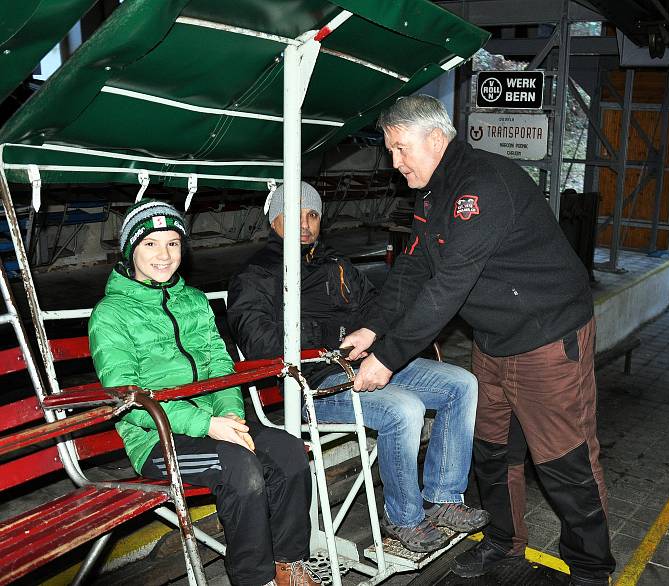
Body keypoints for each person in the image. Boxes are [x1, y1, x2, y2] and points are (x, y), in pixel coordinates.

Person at [342, 95, 616, 586]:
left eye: (401, 149)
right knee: (493, 454)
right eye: (391, 152)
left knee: (565, 462)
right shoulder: (431, 191)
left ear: (435, 139)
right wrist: (373, 328)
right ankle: (503, 547)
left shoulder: (483, 185)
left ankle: (592, 571)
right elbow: (413, 268)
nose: (395, 162)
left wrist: (388, 357)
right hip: (494, 340)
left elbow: (448, 285)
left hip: (546, 340)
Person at [226, 181, 489, 554]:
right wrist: (335, 339)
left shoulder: (337, 265)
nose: (305, 223)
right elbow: (259, 343)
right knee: (404, 409)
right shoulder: (255, 275)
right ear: (274, 220)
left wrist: (399, 338)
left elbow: (377, 312)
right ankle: (403, 520)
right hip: (314, 383)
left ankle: (444, 498)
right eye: (294, 215)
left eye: (313, 215)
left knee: (461, 384)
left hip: (366, 365)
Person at [88, 199, 320, 586]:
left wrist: (229, 414)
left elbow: (220, 366)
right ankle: (253, 579)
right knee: (242, 470)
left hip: (215, 420)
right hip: (157, 437)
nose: (164, 255)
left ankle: (288, 564)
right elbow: (127, 398)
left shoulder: (194, 302)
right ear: (131, 250)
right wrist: (207, 424)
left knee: (289, 452)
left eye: (173, 243)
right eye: (150, 244)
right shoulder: (110, 315)